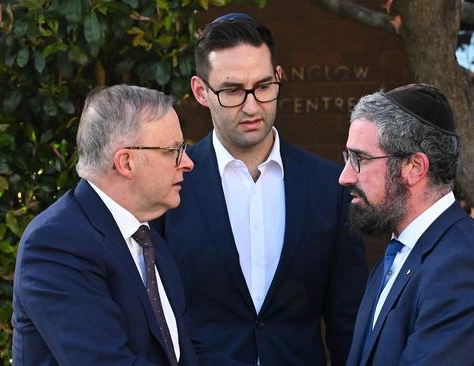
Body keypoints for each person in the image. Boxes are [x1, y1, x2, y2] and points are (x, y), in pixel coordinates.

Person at [152, 13, 367, 366]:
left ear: (279, 79)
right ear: (200, 92)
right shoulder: (169, 184)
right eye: (233, 90)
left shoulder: (330, 188)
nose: (252, 106)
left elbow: (348, 323)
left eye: (264, 86)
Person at [12, 85, 199, 365]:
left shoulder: (148, 238)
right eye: (173, 150)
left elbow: (189, 351)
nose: (188, 162)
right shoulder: (55, 244)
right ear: (126, 162)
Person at [340, 84, 474, 365]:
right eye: (348, 157)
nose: (345, 176)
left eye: (360, 158)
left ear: (414, 167)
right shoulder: (397, 255)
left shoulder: (465, 267)